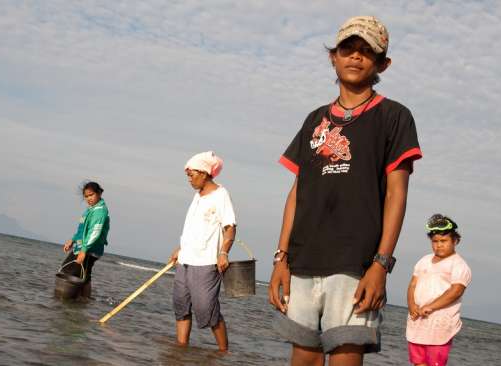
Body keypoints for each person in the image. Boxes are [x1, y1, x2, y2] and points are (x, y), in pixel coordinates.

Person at [268, 15, 423, 366]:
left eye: (367, 51)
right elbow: (297, 191)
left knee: (346, 354)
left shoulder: (394, 117)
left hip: (356, 265)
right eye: (348, 49)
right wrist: (281, 258)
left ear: (383, 63)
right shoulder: (314, 120)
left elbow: (396, 194)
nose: (356, 57)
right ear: (332, 57)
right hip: (303, 261)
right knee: (302, 354)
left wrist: (380, 265)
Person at [169, 151, 237, 352]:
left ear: (205, 173)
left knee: (206, 308)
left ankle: (224, 352)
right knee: (181, 306)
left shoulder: (221, 195)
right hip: (185, 260)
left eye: (191, 175)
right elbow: (194, 228)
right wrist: (180, 249)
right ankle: (181, 349)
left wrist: (224, 252)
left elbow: (230, 227)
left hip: (206, 263)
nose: (189, 179)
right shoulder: (197, 196)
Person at [406, 214, 471, 366]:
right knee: (418, 362)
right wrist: (411, 305)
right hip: (418, 321)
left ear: (455, 241)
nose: (439, 245)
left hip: (440, 324)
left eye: (444, 241)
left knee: (435, 362)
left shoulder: (459, 265)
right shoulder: (424, 260)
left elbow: (456, 291)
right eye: (435, 241)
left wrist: (431, 306)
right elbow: (413, 285)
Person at [61, 181, 110, 299]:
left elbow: (95, 233)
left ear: (99, 193)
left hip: (90, 249)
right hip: (82, 248)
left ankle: (78, 300)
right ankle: (84, 301)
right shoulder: (90, 210)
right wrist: (72, 240)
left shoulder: (100, 211)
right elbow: (82, 230)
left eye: (91, 195)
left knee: (72, 272)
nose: (89, 198)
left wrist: (84, 250)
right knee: (82, 274)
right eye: (86, 196)